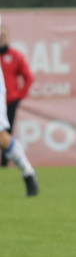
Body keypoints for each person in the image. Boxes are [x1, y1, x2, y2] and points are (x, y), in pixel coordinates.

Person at [0, 17, 39, 196]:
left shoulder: (15, 56)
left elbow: (28, 77)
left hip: (8, 97)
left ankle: (27, 172)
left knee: (2, 137)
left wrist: (18, 97)